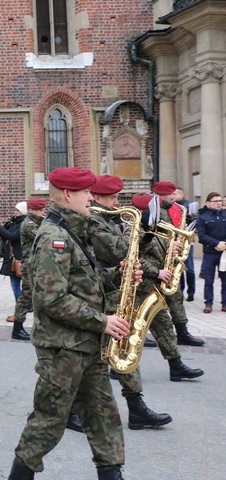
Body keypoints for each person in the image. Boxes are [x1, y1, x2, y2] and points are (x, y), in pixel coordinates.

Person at [8, 167, 132, 480]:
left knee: (103, 414)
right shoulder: (54, 238)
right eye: (86, 193)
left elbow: (84, 284)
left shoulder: (74, 230)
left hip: (86, 343)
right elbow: (52, 299)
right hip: (63, 348)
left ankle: (111, 473)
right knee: (50, 420)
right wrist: (102, 321)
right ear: (67, 195)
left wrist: (117, 278)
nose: (92, 198)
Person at [88, 177, 172, 431]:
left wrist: (140, 242)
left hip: (114, 295)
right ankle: (71, 411)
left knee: (118, 352)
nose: (116, 202)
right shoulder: (94, 223)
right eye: (112, 197)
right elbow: (120, 250)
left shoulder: (109, 221)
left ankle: (136, 408)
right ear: (98, 197)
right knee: (93, 358)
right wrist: (143, 233)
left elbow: (126, 253)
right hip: (98, 299)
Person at [128, 193, 204, 383]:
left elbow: (159, 247)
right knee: (130, 328)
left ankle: (176, 366)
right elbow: (134, 257)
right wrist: (157, 272)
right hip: (140, 285)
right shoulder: (133, 229)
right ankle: (120, 365)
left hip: (153, 288)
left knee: (164, 326)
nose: (161, 217)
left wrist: (173, 247)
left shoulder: (156, 228)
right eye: (157, 212)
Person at [149, 181, 204, 346]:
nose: (174, 197)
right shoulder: (152, 211)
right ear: (161, 195)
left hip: (168, 261)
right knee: (145, 300)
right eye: (170, 194)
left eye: (174, 194)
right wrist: (170, 245)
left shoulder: (172, 209)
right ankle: (137, 334)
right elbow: (149, 236)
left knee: (176, 295)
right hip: (153, 261)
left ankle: (182, 332)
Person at [6, 198, 48, 340]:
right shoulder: (29, 223)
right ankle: (17, 328)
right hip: (31, 266)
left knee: (39, 297)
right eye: (40, 210)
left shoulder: (38, 222)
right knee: (26, 297)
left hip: (38, 265)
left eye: (43, 209)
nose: (43, 212)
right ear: (31, 210)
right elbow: (43, 238)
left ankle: (41, 327)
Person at [196, 191, 226, 314]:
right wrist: (216, 244)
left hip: (224, 253)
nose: (218, 203)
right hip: (210, 252)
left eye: (220, 201)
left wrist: (224, 244)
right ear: (208, 203)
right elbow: (202, 236)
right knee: (209, 279)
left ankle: (225, 303)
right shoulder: (203, 217)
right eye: (215, 201)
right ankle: (208, 303)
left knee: (225, 279)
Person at [0, 202, 27, 305]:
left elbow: (12, 236)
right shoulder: (14, 222)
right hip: (12, 257)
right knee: (14, 283)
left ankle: (23, 304)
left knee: (21, 284)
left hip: (19, 257)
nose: (15, 212)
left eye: (17, 210)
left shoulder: (24, 223)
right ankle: (20, 304)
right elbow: (6, 235)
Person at [174, 187, 196, 301]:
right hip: (177, 241)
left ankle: (191, 292)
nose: (173, 196)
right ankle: (180, 291)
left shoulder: (189, 205)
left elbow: (196, 220)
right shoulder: (172, 207)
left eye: (175, 193)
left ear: (181, 194)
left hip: (187, 242)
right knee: (179, 269)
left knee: (190, 268)